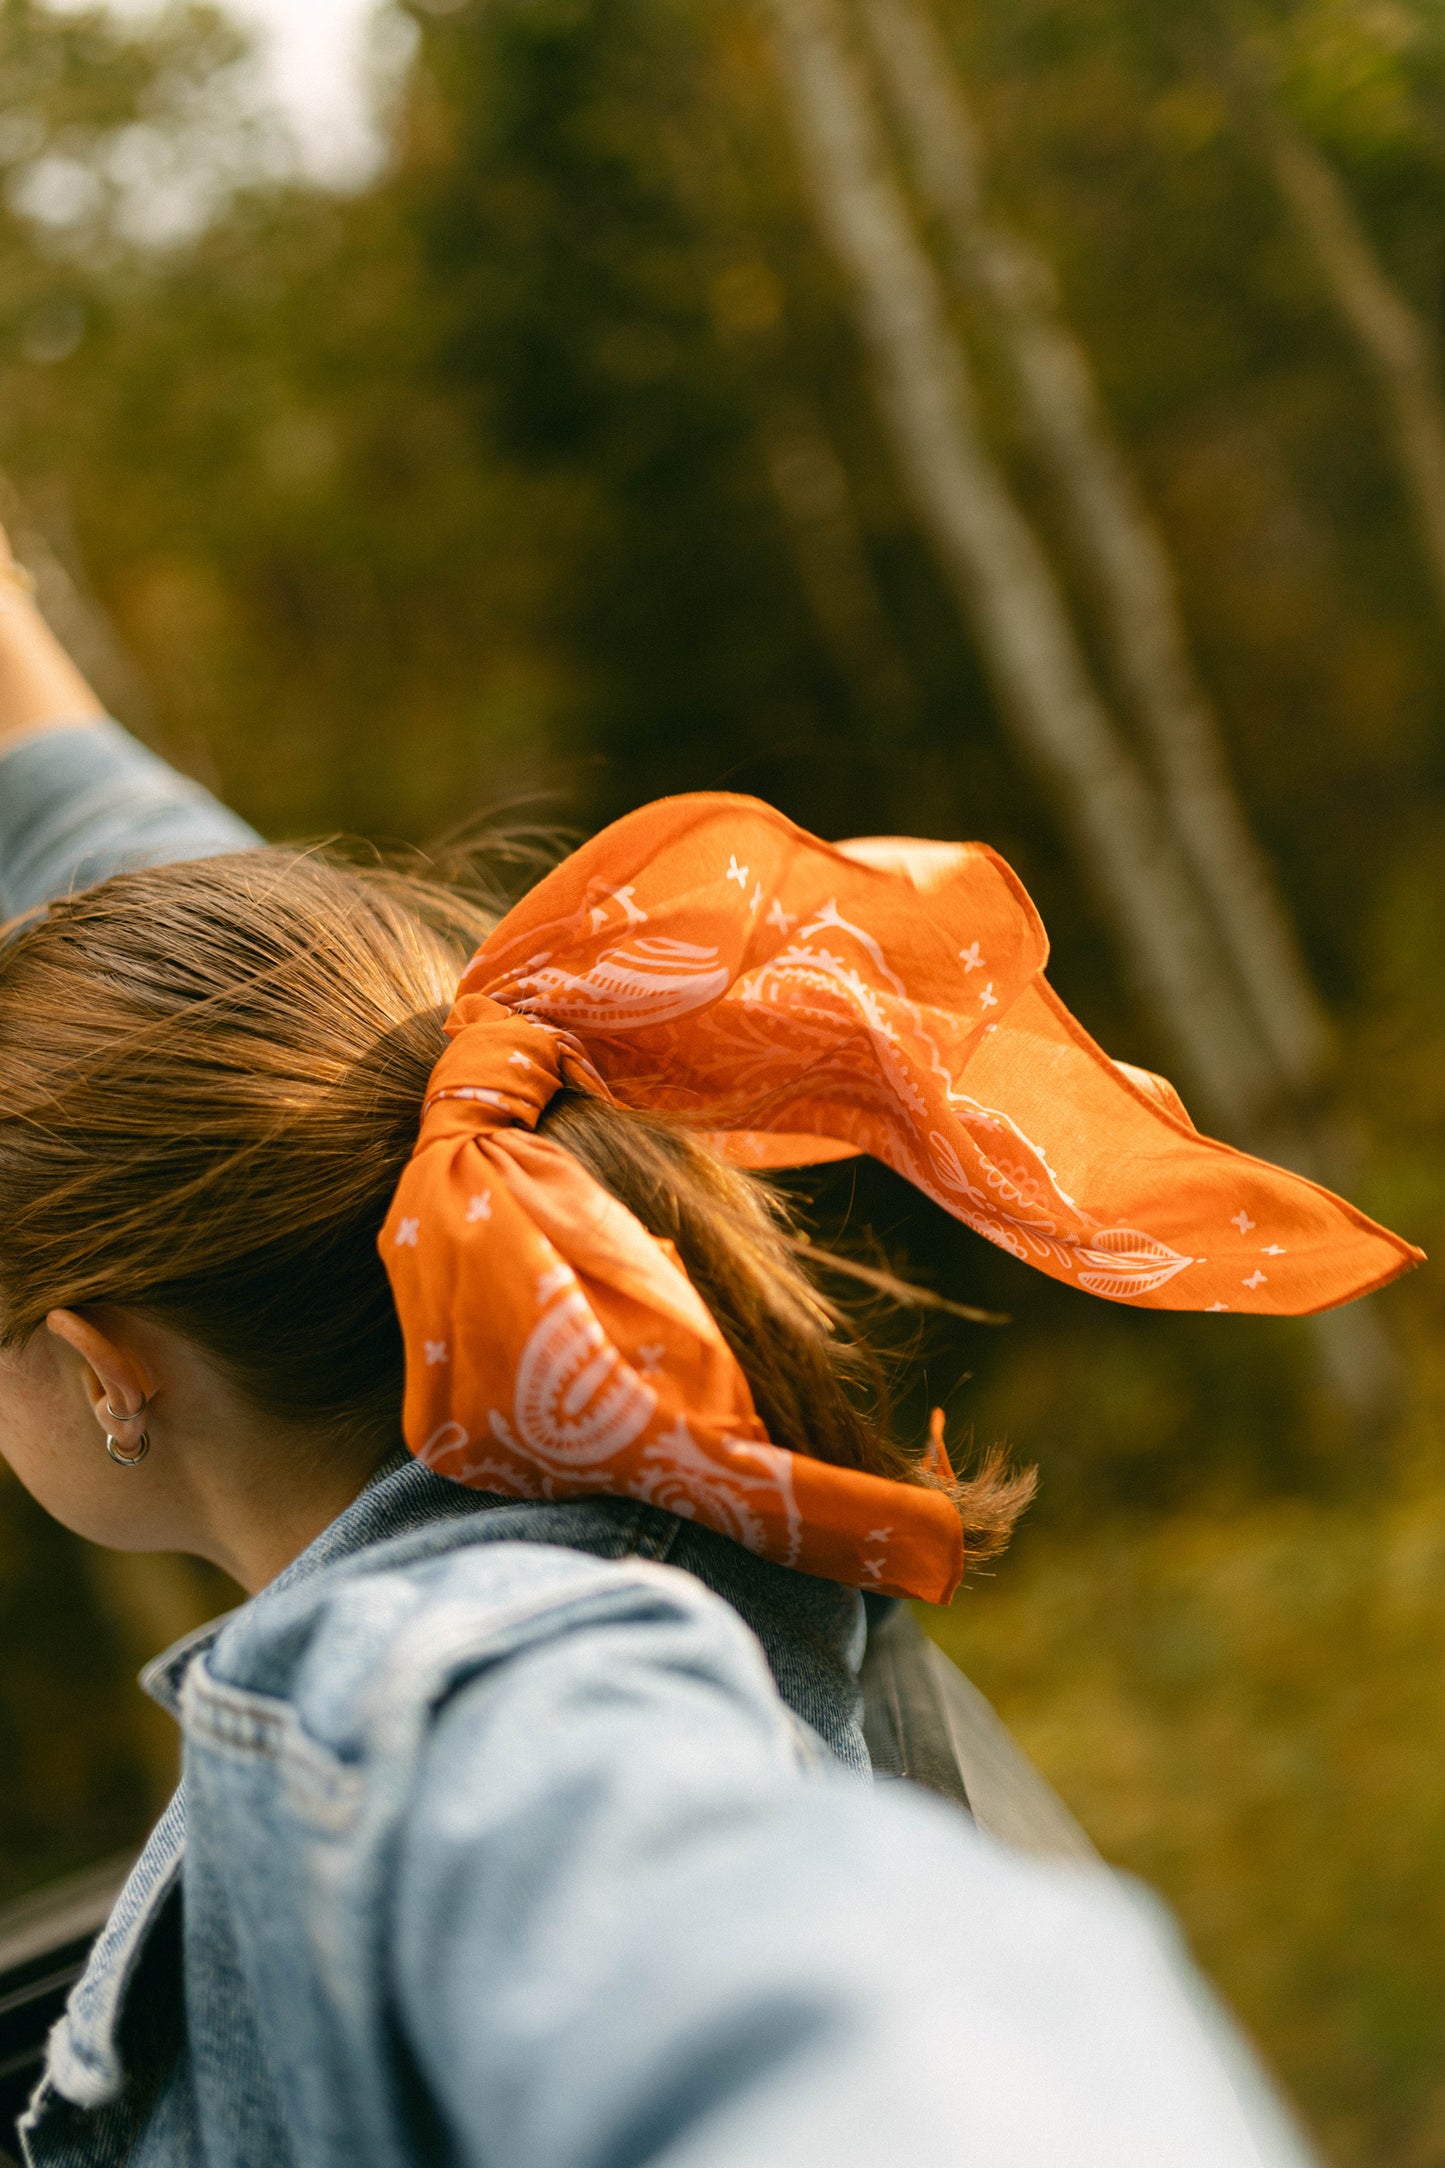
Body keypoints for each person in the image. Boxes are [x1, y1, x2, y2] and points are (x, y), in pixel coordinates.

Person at [0, 527, 1419, 2168]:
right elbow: (205, 1005)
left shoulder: (444, 1686)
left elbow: (891, 2058)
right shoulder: (461, 1198)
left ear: (105, 1370)